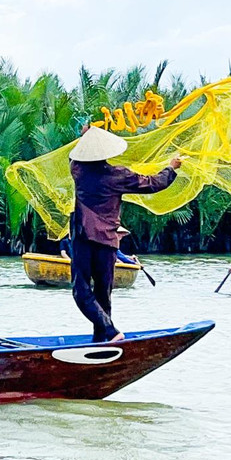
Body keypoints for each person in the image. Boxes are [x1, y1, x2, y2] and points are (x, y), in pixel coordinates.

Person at [68, 125, 182, 342]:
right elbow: (153, 184)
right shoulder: (118, 175)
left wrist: (85, 137)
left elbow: (75, 159)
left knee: (81, 292)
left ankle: (107, 335)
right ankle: (105, 337)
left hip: (83, 237)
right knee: (103, 294)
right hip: (108, 240)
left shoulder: (78, 172)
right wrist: (171, 168)